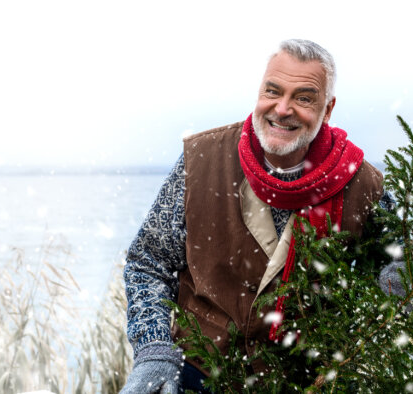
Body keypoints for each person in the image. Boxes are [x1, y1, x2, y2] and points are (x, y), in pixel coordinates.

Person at [120, 39, 390, 394]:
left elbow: (397, 270)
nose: (282, 108)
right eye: (272, 91)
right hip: (195, 377)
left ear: (327, 110)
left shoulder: (360, 183)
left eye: (304, 97)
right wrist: (154, 351)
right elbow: (148, 263)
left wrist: (398, 288)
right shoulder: (201, 160)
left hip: (306, 385)